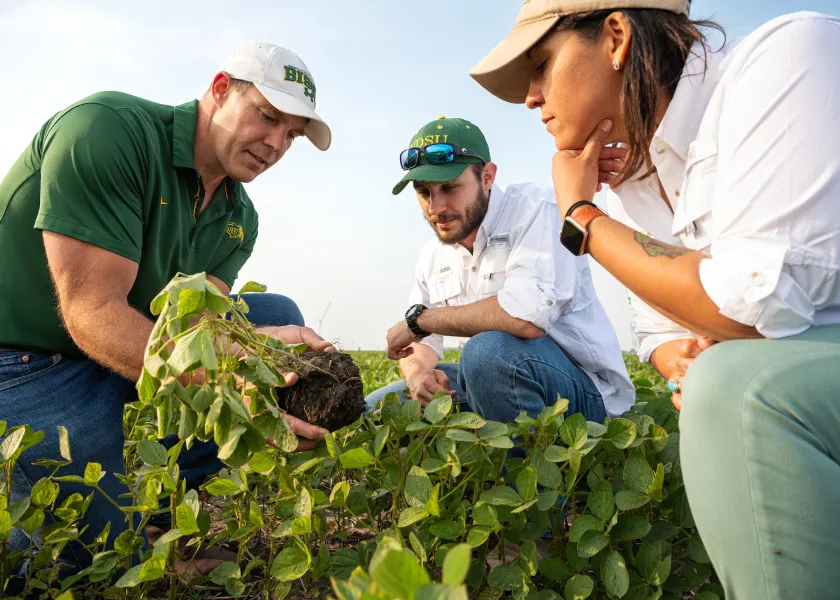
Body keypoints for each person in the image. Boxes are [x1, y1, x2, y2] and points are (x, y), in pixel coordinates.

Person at [471, 2, 840, 597]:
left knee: (734, 390)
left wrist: (580, 214)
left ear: (616, 36)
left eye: (542, 64)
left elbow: (749, 307)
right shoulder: (638, 174)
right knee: (718, 383)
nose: (531, 97)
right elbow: (659, 331)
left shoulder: (789, 56)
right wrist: (684, 363)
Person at [0, 42, 334, 574]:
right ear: (221, 89)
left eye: (291, 135)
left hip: (120, 344)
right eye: (267, 117)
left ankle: (158, 515)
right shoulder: (107, 131)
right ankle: (126, 534)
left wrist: (262, 359)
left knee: (276, 314)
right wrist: (232, 378)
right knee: (92, 561)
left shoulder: (238, 216)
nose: (275, 144)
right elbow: (90, 312)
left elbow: (201, 324)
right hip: (27, 357)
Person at [371, 116, 634, 425]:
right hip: (489, 381)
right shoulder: (432, 254)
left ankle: (524, 467)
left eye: (449, 187)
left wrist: (420, 321)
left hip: (584, 390)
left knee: (487, 353)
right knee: (374, 409)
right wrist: (419, 374)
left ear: (487, 177)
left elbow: (525, 317)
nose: (436, 207)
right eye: (424, 192)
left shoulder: (539, 209)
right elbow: (420, 344)